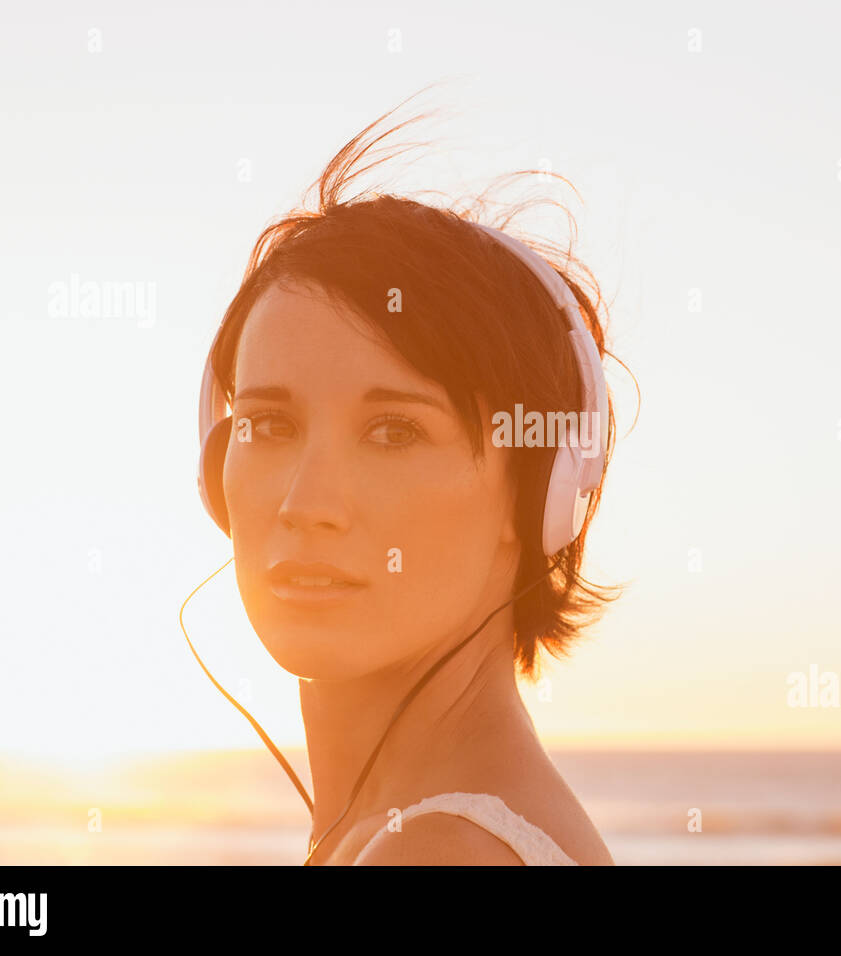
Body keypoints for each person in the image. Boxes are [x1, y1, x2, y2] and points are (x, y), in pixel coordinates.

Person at [194, 100, 633, 865]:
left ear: (539, 493)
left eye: (394, 432)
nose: (307, 505)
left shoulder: (438, 851)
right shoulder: (426, 834)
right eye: (268, 425)